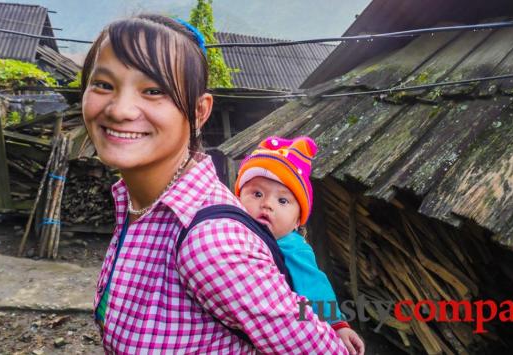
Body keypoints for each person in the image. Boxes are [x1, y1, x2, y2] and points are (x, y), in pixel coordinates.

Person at [81, 14, 349, 354]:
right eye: (104, 85)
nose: (119, 110)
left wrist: (337, 322)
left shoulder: (211, 245)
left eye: (153, 90)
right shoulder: (136, 203)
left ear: (199, 112)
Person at [235, 136, 365, 355]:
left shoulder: (292, 246)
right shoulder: (228, 230)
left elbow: (315, 286)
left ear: (297, 221)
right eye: (257, 194)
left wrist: (337, 325)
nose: (267, 204)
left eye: (282, 201)